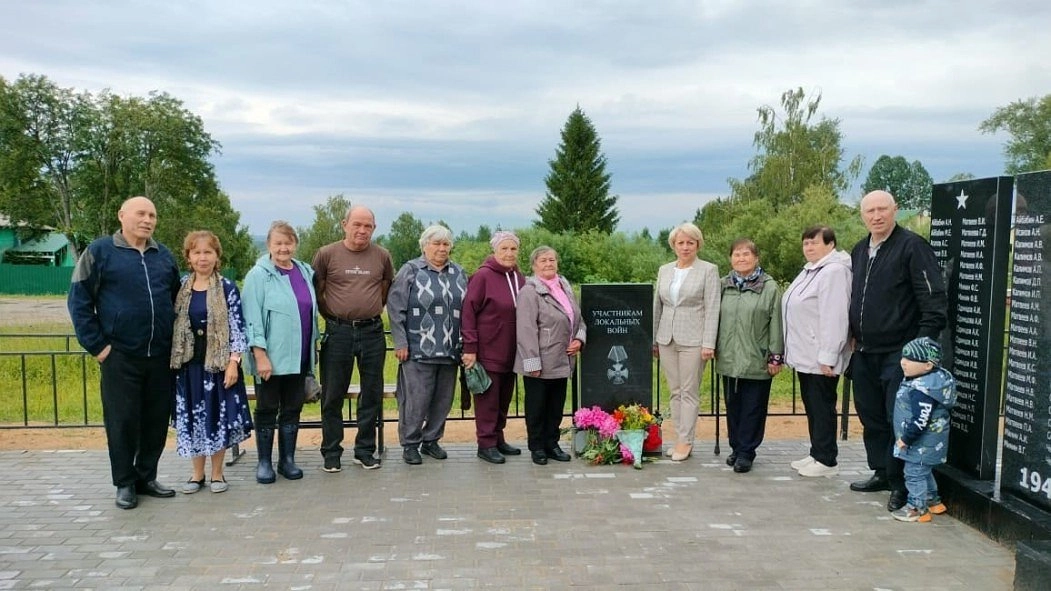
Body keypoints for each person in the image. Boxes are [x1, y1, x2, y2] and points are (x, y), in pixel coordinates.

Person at [67, 196, 180, 509]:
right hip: (120, 356)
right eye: (141, 213)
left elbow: (175, 300)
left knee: (156, 420)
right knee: (122, 421)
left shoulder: (163, 255)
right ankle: (125, 483)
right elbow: (78, 302)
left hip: (159, 356)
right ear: (122, 216)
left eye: (152, 215)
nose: (147, 220)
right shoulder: (100, 252)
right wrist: (99, 347)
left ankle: (146, 477)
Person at [849, 190, 947, 512]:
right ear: (862, 215)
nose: (876, 216)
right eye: (870, 211)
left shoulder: (913, 247)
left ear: (895, 210)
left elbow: (933, 303)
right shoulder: (860, 250)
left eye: (882, 209)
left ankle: (901, 483)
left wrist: (918, 352)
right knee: (871, 416)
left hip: (899, 352)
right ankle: (880, 470)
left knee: (899, 419)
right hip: (864, 350)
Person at [170, 231, 253, 493]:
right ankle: (197, 475)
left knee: (216, 417)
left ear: (217, 256)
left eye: (208, 252)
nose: (202, 258)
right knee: (193, 419)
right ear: (188, 257)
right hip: (188, 366)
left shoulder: (227, 287)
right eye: (197, 252)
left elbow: (238, 328)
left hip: (217, 367)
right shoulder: (181, 288)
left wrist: (234, 362)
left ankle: (217, 474)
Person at [313, 206, 394, 472]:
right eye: (357, 224)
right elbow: (318, 291)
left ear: (374, 228)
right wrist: (336, 317)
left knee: (371, 393)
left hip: (372, 332)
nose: (362, 230)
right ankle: (332, 452)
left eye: (368, 226)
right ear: (344, 224)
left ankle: (365, 450)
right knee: (333, 394)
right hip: (338, 333)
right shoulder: (326, 254)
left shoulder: (382, 256)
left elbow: (385, 289)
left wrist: (367, 311)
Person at [242, 221, 319, 484]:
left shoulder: (305, 271)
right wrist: (260, 354)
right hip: (270, 360)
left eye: (288, 243)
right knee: (266, 408)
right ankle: (264, 462)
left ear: (295, 244)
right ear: (269, 246)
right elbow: (252, 319)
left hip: (299, 356)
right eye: (278, 243)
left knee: (292, 408)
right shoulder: (258, 276)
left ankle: (287, 460)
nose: (283, 248)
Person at [387, 225, 468, 465]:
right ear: (425, 246)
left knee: (443, 400)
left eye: (446, 244)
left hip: (451, 348)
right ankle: (410, 444)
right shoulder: (411, 270)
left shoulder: (459, 272)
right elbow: (395, 308)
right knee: (416, 401)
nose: (442, 248)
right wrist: (400, 342)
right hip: (418, 349)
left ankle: (431, 440)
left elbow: (468, 310)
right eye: (436, 243)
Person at [781, 226, 852, 478]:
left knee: (822, 406)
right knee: (812, 405)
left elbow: (835, 316)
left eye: (814, 243)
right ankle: (816, 452)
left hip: (820, 356)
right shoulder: (810, 270)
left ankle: (827, 460)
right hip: (804, 354)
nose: (809, 248)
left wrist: (829, 355)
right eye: (805, 244)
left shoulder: (834, 272)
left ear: (830, 244)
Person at [653, 222, 721, 462]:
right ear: (673, 245)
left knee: (689, 392)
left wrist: (708, 343)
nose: (685, 247)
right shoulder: (665, 270)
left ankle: (686, 441)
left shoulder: (708, 270)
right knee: (675, 391)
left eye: (690, 243)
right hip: (666, 338)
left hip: (694, 339)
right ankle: (678, 438)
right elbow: (657, 305)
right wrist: (654, 339)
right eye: (680, 243)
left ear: (698, 244)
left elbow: (713, 308)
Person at [716, 238, 784, 474]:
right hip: (729, 357)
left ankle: (747, 452)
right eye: (736, 254)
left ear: (756, 258)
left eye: (746, 254)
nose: (741, 258)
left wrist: (775, 356)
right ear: (730, 258)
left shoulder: (769, 287)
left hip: (756, 357)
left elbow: (776, 323)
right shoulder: (724, 285)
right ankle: (736, 447)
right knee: (733, 405)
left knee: (753, 408)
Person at [515, 246, 587, 466]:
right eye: (543, 260)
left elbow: (578, 319)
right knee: (537, 407)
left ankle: (552, 444)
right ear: (534, 265)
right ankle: (537, 447)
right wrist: (532, 362)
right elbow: (525, 330)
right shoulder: (529, 292)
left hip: (562, 359)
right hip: (540, 361)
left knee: (556, 406)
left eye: (552, 260)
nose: (548, 264)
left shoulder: (564, 287)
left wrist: (579, 339)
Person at [462, 231, 526, 464]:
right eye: (504, 249)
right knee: (488, 400)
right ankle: (485, 444)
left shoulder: (519, 277)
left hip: (512, 350)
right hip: (488, 350)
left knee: (504, 398)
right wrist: (470, 347)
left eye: (513, 249)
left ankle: (498, 437)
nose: (509, 253)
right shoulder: (482, 277)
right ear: (495, 251)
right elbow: (468, 312)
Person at [892, 337, 957, 522]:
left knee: (914, 473)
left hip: (920, 442)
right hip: (929, 443)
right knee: (923, 471)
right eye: (903, 357)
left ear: (928, 365)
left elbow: (921, 419)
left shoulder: (923, 389)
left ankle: (917, 509)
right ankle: (934, 502)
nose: (903, 362)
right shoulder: (930, 381)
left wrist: (906, 439)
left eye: (910, 359)